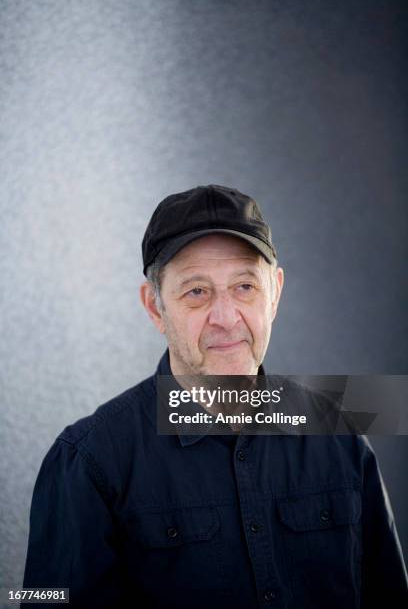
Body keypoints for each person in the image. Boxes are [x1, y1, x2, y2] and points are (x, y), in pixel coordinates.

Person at [22, 184, 407, 608]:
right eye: (197, 292)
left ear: (274, 293)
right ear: (155, 307)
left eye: (245, 286)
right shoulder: (89, 461)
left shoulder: (340, 431)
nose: (226, 318)